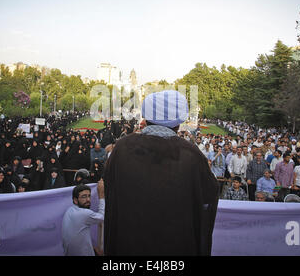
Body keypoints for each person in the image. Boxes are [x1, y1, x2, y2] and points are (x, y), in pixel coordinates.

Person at [103, 90, 219, 256]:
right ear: (178, 123)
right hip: (175, 245)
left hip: (128, 242)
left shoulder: (122, 148)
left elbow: (110, 187)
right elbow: (208, 196)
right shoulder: (191, 154)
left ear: (146, 118)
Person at [61, 181, 105, 256]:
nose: (88, 199)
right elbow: (102, 217)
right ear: (75, 200)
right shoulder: (84, 213)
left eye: (89, 196)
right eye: (84, 196)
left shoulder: (69, 210)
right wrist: (101, 196)